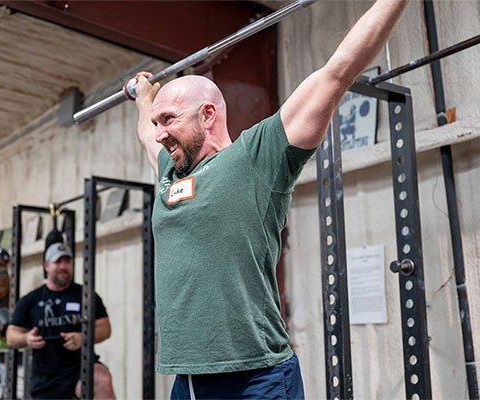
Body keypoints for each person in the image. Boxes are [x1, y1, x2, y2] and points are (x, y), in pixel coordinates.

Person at [132, 1, 409, 398]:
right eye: (159, 123)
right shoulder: (170, 175)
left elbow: (337, 72)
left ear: (207, 115)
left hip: (254, 377)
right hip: (187, 380)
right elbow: (145, 132)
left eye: (170, 119)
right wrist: (144, 97)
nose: (160, 134)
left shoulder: (256, 157)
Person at [6, 241, 116, 399]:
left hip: (80, 367)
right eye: (58, 262)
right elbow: (11, 336)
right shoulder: (30, 300)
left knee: (102, 379)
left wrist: (83, 338)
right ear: (46, 265)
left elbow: (105, 328)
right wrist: (27, 338)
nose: (63, 266)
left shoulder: (86, 295)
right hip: (46, 375)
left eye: (67, 261)